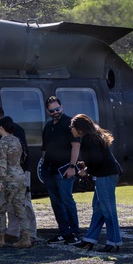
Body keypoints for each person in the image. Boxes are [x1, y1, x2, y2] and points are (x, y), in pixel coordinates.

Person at [0, 104, 38, 242]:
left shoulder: (13, 132)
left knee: (23, 203)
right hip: (16, 173)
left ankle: (30, 233)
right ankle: (14, 231)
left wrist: (1, 179)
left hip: (16, 173)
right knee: (11, 203)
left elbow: (21, 155)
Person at [70, 114, 123, 252]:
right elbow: (97, 157)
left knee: (107, 209)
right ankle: (90, 239)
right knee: (99, 207)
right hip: (107, 173)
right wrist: (87, 166)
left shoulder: (88, 138)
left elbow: (97, 159)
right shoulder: (92, 136)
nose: (71, 129)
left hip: (105, 175)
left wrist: (86, 171)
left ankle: (114, 241)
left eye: (72, 127)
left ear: (79, 128)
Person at [41, 96, 81, 244]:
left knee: (66, 199)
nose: (55, 112)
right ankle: (63, 232)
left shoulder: (69, 124)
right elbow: (44, 149)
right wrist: (44, 167)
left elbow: (76, 146)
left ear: (62, 107)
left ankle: (75, 232)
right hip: (49, 170)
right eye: (52, 110)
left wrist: (72, 166)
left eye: (57, 109)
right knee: (55, 202)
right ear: (48, 111)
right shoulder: (48, 126)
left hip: (64, 170)